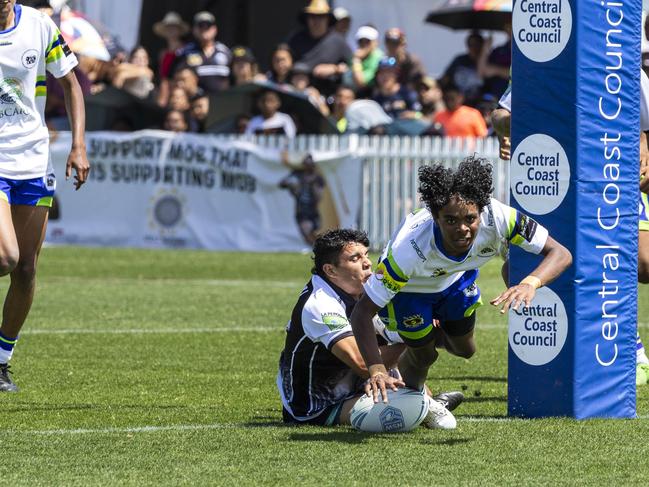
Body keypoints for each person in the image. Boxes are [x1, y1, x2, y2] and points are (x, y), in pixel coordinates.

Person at [350, 157, 572, 403]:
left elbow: (561, 254)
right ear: (435, 216)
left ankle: (421, 332)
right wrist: (377, 369)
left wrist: (529, 283)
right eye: (451, 220)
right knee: (424, 356)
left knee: (466, 350)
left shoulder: (499, 217)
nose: (463, 228)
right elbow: (361, 312)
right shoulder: (407, 251)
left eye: (470, 218)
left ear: (481, 211)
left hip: (456, 280)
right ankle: (414, 404)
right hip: (409, 291)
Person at [278, 229, 461, 429]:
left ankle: (421, 402)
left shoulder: (362, 291)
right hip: (320, 404)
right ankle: (423, 405)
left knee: (408, 367)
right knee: (403, 400)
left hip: (355, 383)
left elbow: (390, 335)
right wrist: (419, 336)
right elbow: (363, 363)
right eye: (355, 259)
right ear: (331, 270)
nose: (367, 262)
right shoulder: (320, 304)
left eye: (366, 254)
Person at [0, 1, 90, 391]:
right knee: (6, 256)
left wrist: (79, 145)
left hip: (34, 161)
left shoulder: (39, 25)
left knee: (27, 269)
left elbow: (71, 83)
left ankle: (1, 362)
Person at [286, 0, 352, 96]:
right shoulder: (295, 39)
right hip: (298, 92)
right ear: (307, 19)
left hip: (329, 95)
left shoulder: (338, 41)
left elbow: (351, 67)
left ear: (328, 19)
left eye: (321, 17)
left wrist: (335, 69)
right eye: (312, 16)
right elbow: (283, 61)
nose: (316, 21)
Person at [173, 11, 231, 94]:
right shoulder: (184, 53)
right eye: (200, 26)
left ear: (215, 29)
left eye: (208, 26)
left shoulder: (225, 52)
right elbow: (176, 79)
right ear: (194, 30)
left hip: (223, 102)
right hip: (196, 103)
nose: (204, 29)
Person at [278, 154, 325, 245]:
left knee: (310, 233)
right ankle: (319, 249)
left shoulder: (317, 178)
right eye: (306, 163)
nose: (307, 166)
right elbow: (282, 183)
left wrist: (313, 185)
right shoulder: (297, 175)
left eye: (310, 164)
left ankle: (320, 249)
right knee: (306, 232)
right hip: (301, 210)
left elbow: (318, 197)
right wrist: (292, 185)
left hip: (313, 211)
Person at [153, 11, 189, 107]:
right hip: (163, 91)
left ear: (179, 30)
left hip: (179, 87)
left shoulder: (185, 49)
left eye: (174, 27)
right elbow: (161, 75)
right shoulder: (162, 53)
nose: (171, 30)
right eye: (168, 27)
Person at [439, 31, 485, 107]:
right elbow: (445, 79)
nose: (474, 48)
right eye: (471, 45)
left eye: (477, 45)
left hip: (479, 104)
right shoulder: (459, 60)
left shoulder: (488, 62)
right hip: (458, 105)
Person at [348, 25, 383, 94]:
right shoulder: (354, 55)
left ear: (375, 42)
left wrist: (356, 60)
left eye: (367, 41)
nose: (364, 44)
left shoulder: (379, 58)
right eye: (361, 41)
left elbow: (361, 82)